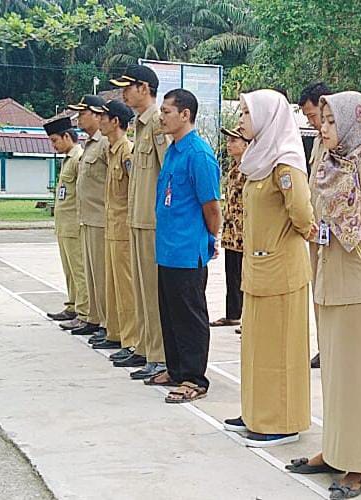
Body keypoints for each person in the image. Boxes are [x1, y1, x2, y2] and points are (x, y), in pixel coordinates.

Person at [286, 92, 361, 500]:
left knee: (360, 379)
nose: (323, 128)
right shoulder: (332, 164)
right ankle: (336, 450)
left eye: (332, 121)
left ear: (355, 124)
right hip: (330, 279)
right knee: (336, 376)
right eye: (322, 120)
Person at [223, 89, 316, 448]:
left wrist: (284, 240)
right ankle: (257, 412)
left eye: (247, 114)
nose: (242, 121)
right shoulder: (257, 159)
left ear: (267, 117)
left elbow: (303, 214)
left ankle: (282, 421)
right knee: (257, 347)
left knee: (280, 349)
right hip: (258, 267)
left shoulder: (285, 163)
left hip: (281, 269)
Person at [144, 89, 221, 402]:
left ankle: (194, 378)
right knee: (170, 313)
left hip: (188, 250)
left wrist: (209, 238)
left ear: (185, 114)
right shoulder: (173, 150)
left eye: (166, 112)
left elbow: (211, 207)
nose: (161, 117)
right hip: (167, 248)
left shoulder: (198, 154)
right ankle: (175, 368)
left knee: (190, 316)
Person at [110, 65, 170, 380]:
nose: (124, 94)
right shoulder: (141, 126)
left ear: (144, 88)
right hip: (137, 220)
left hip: (152, 222)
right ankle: (146, 348)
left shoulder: (159, 123)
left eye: (127, 87)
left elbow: (168, 173)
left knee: (153, 291)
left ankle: (159, 355)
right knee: (141, 289)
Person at [97, 100, 140, 362]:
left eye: (104, 117)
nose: (100, 121)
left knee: (126, 288)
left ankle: (131, 339)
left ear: (115, 122)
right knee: (112, 285)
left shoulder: (127, 152)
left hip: (124, 229)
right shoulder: (111, 150)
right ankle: (115, 333)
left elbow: (134, 191)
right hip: (111, 226)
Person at [66, 95, 109, 339]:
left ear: (97, 114)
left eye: (83, 113)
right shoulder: (90, 144)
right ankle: (92, 317)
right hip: (87, 219)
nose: (79, 118)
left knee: (102, 276)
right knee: (91, 275)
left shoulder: (105, 143)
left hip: (102, 220)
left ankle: (106, 322)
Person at [43, 117, 90, 330]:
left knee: (79, 271)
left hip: (75, 225)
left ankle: (84, 312)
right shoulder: (67, 159)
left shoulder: (79, 158)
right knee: (69, 271)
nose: (54, 145)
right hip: (64, 226)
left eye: (55, 140)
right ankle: (72, 305)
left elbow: (83, 194)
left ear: (67, 136)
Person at [297, 81, 332, 369]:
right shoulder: (319, 141)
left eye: (312, 115)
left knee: (331, 290)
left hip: (334, 230)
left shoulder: (341, 140)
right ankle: (324, 345)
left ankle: (334, 345)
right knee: (317, 290)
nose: (311, 122)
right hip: (315, 228)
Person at [209, 127, 248, 329]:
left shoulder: (250, 169)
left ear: (246, 144)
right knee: (231, 275)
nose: (229, 144)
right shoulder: (233, 170)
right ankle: (233, 313)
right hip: (231, 232)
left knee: (244, 276)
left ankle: (247, 317)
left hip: (245, 233)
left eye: (234, 140)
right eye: (228, 141)